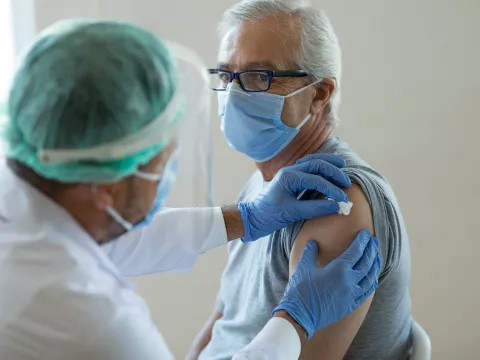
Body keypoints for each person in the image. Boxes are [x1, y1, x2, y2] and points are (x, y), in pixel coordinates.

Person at [0, 19, 381, 360]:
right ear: (107, 186)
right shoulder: (96, 328)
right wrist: (295, 321)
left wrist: (245, 218)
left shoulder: (26, 201)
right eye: (160, 161)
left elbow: (113, 243)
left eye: (259, 76)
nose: (235, 95)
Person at [191, 1, 412, 360]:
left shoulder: (336, 198)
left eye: (258, 76)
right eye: (226, 75)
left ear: (320, 94)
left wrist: (298, 317)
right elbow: (225, 320)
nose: (233, 94)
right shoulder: (264, 186)